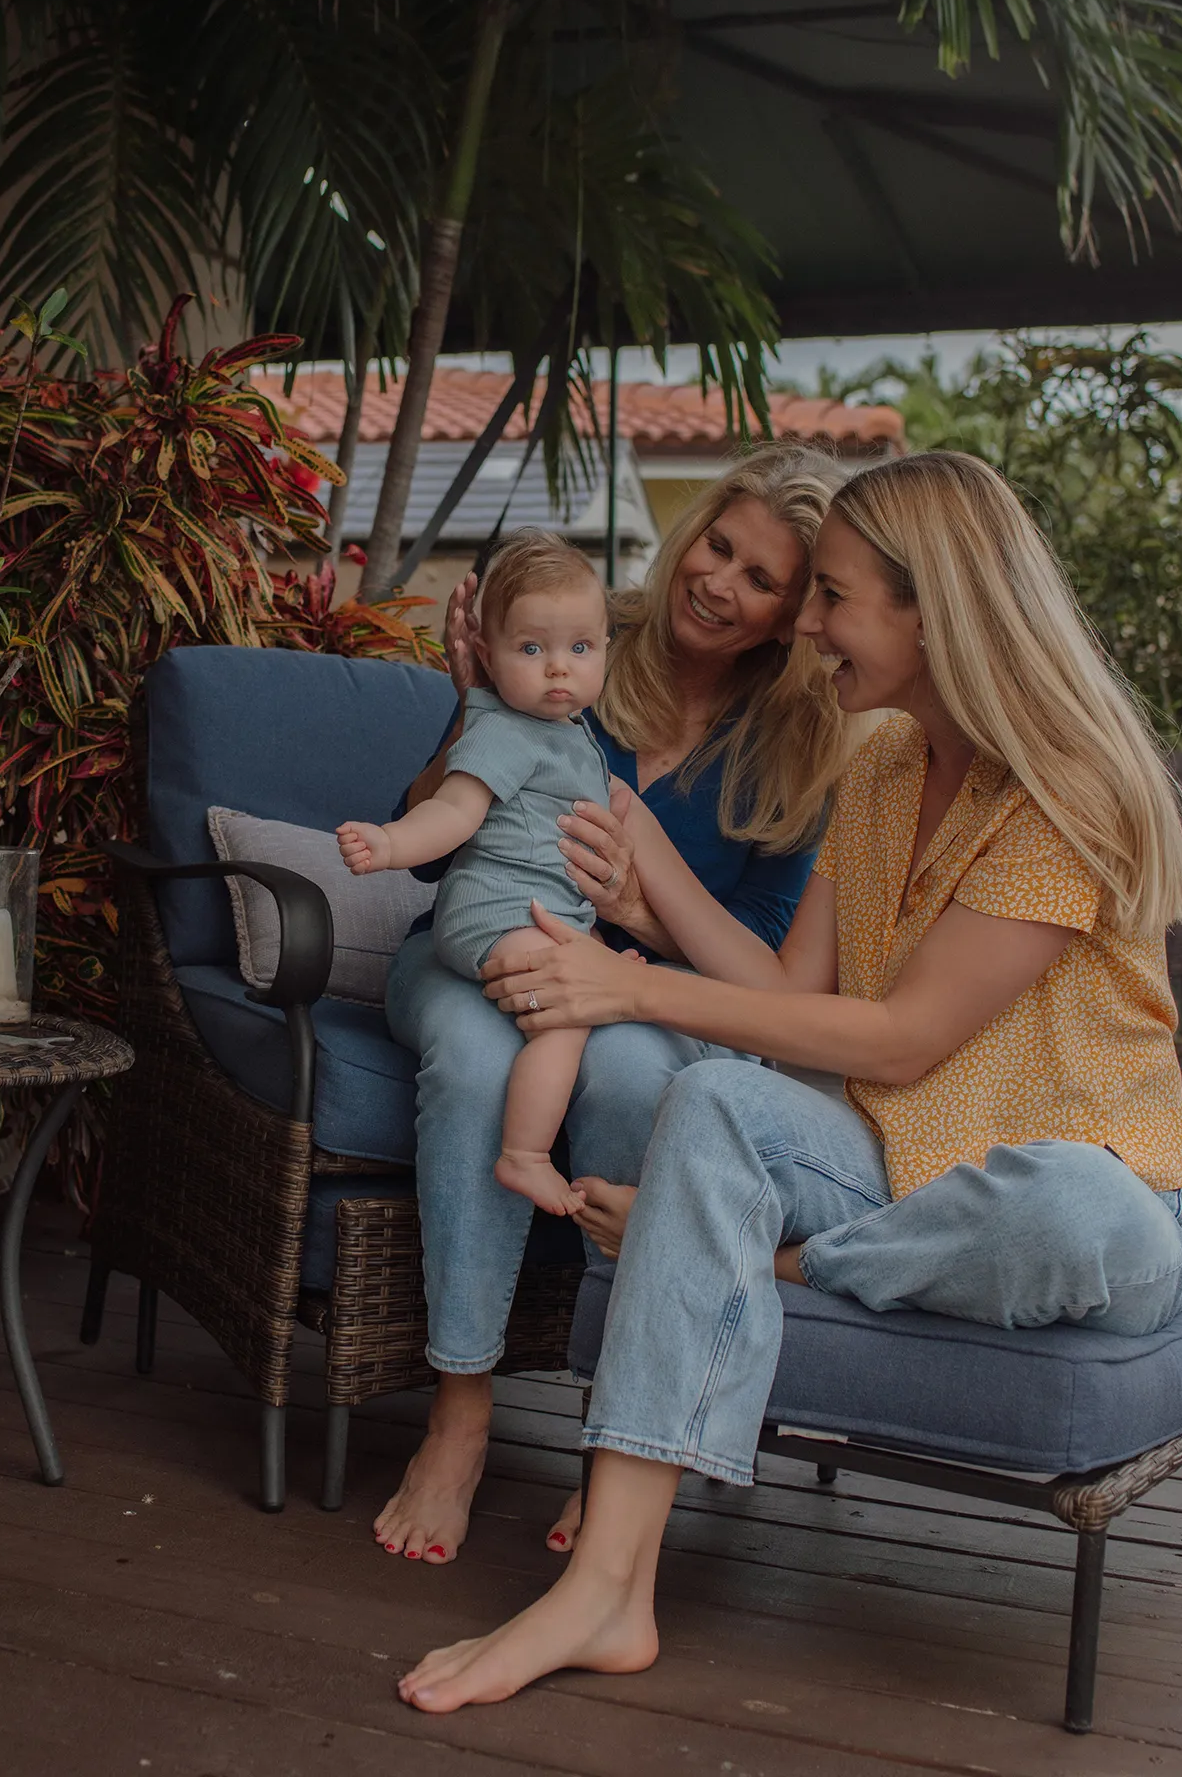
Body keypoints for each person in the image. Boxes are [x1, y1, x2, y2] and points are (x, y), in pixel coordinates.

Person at [397, 448, 1182, 1713]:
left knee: (1073, 1205)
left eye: (828, 596)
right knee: (708, 1101)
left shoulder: (1065, 794)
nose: (805, 626)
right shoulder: (880, 765)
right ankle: (605, 1589)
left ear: (931, 610)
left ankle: (771, 1265)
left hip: (1079, 1197)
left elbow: (895, 1041)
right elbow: (787, 1007)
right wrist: (606, 841)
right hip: (891, 1167)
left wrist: (635, 987)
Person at [376, 444, 858, 1564]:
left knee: (650, 1080)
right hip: (468, 958)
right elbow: (421, 847)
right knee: (477, 1052)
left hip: (636, 998)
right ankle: (458, 1415)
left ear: (794, 613)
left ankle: (620, 1445)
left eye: (759, 578)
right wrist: (467, 711)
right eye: (715, 544)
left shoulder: (798, 747)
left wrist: (637, 913)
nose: (716, 581)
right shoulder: (573, 634)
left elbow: (769, 976)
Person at [338, 532, 612, 1216]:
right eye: (531, 649)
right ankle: (523, 1155)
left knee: (601, 975)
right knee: (566, 1014)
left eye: (580, 649)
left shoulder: (571, 733)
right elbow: (455, 814)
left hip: (536, 913)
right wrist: (390, 842)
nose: (558, 669)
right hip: (492, 915)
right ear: (486, 657)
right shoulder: (500, 731)